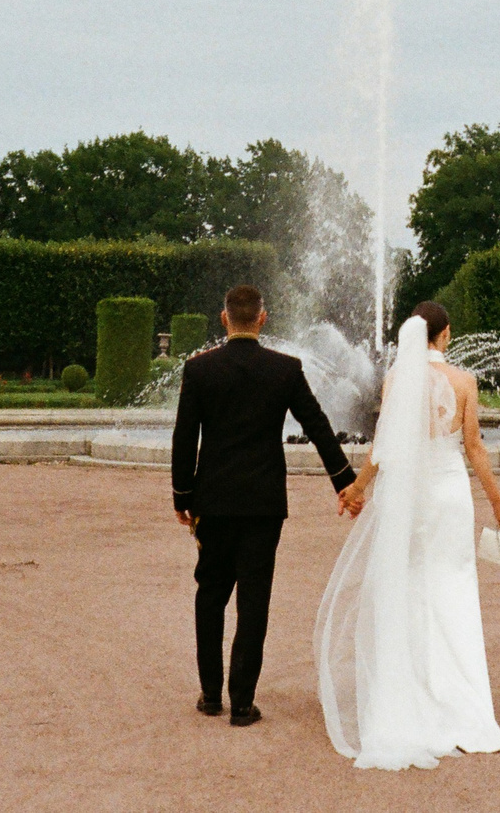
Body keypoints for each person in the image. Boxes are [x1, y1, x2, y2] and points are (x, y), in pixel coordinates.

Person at [314, 301, 500, 770]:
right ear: (444, 335)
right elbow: (474, 448)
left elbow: (382, 450)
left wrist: (356, 489)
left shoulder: (395, 381)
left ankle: (410, 692)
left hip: (409, 501)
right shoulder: (464, 381)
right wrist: (497, 502)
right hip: (448, 497)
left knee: (409, 588)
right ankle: (460, 702)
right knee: (453, 588)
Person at [171, 283, 357, 727]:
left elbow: (184, 438)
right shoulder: (285, 369)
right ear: (262, 318)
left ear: (224, 319)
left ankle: (211, 694)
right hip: (263, 503)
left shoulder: (199, 370)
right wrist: (345, 481)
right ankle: (242, 703)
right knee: (254, 600)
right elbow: (317, 424)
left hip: (211, 502)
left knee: (210, 594)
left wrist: (182, 496)